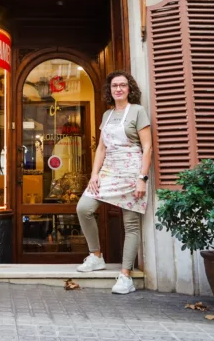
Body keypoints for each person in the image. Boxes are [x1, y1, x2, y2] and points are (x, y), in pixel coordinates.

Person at [75, 70, 152, 295]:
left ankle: (125, 276)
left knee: (130, 225)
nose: (118, 89)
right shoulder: (107, 115)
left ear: (130, 89)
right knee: (84, 208)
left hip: (131, 172)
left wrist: (142, 179)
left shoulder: (138, 111)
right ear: (110, 90)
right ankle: (96, 256)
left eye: (123, 85)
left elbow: (147, 147)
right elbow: (101, 147)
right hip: (108, 170)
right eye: (114, 85)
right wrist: (94, 174)